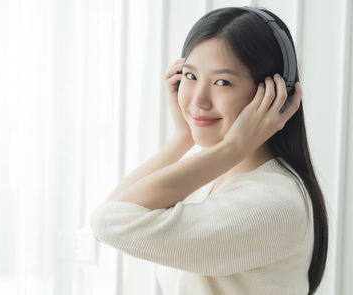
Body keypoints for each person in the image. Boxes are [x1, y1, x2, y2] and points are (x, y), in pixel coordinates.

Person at [90, 6, 328, 295]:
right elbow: (110, 213)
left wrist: (234, 147)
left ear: (272, 95)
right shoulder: (211, 180)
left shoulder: (273, 201)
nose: (198, 100)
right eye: (190, 77)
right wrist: (182, 138)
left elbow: (110, 223)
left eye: (222, 82)